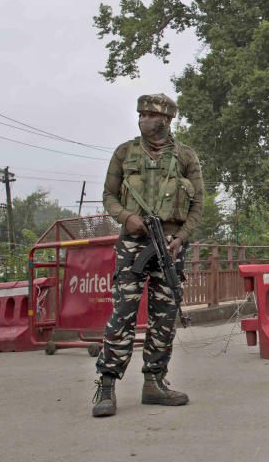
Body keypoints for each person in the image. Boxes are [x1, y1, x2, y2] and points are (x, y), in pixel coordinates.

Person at [92, 93, 205, 417]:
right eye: (141, 114)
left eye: (151, 115)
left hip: (170, 244)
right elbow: (109, 196)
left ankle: (154, 382)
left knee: (165, 315)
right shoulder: (124, 153)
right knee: (123, 313)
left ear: (167, 120)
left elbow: (197, 204)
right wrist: (127, 218)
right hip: (133, 243)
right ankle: (108, 385)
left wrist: (181, 238)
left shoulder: (185, 156)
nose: (143, 120)